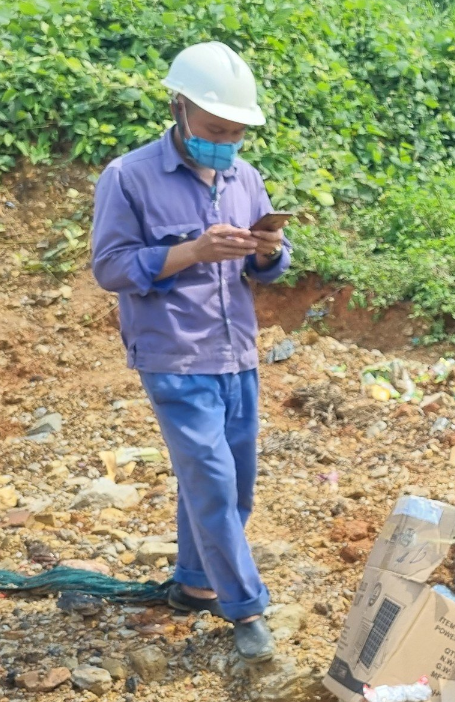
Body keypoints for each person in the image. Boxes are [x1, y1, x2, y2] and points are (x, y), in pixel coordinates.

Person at [91, 42, 291, 662]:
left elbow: (273, 266)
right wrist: (193, 252)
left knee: (234, 484)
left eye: (236, 132)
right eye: (214, 129)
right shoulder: (129, 178)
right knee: (209, 479)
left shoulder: (245, 177)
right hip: (174, 355)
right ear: (179, 107)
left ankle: (195, 580)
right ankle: (246, 609)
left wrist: (266, 252)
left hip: (237, 353)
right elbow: (111, 267)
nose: (225, 141)